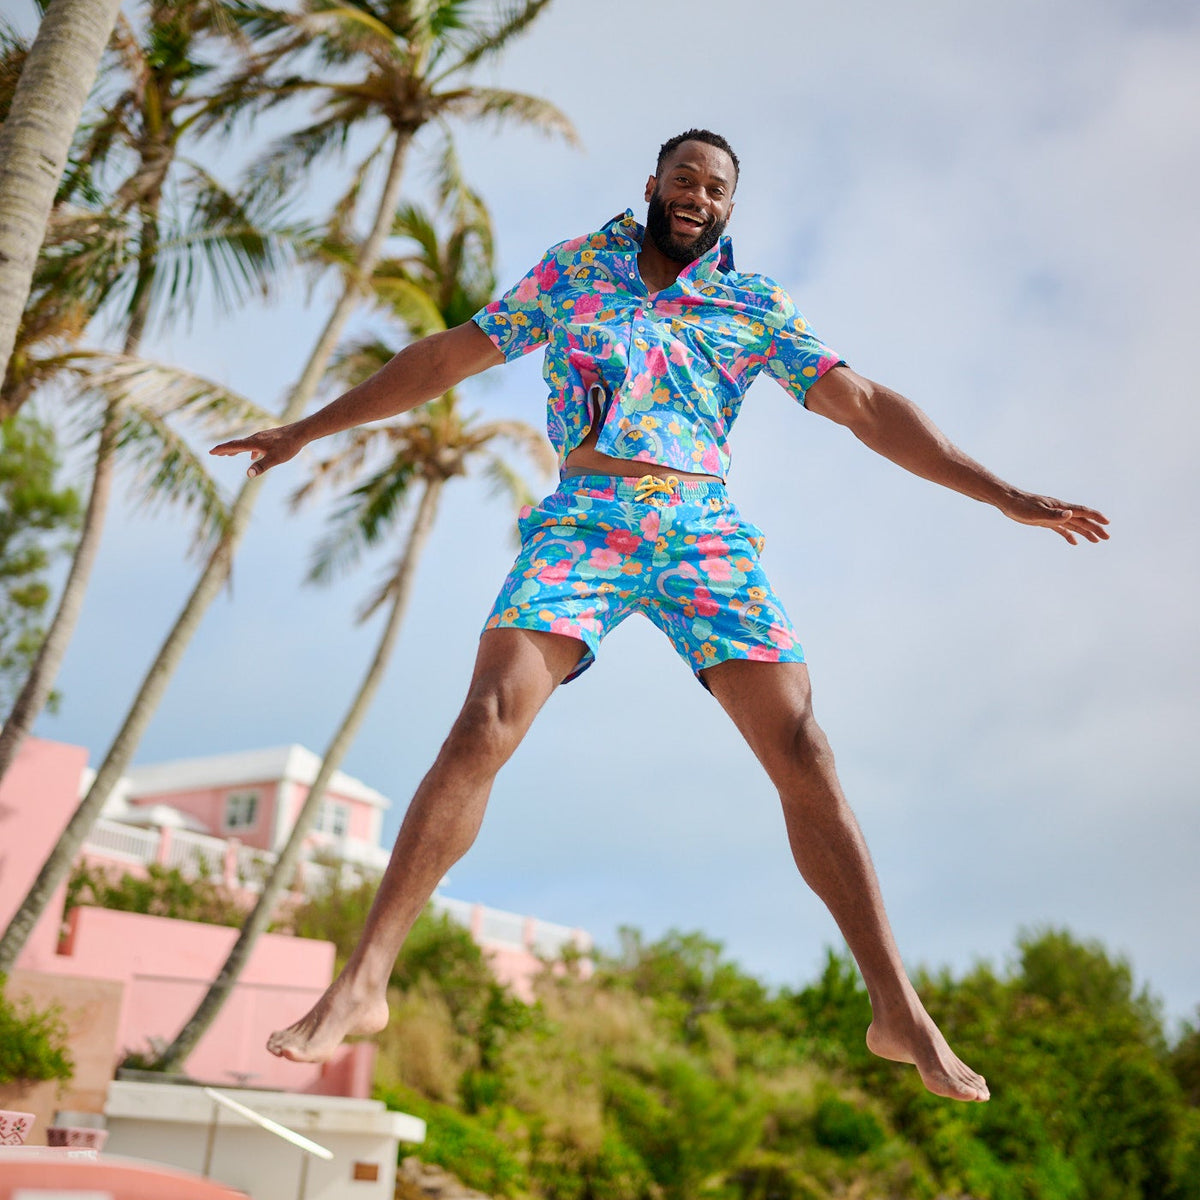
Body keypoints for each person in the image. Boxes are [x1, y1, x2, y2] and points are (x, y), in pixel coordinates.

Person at [212, 129, 1109, 1103]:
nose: (699, 196)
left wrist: (1005, 494)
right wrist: (308, 429)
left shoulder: (751, 304)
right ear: (653, 186)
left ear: (729, 208)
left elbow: (862, 405)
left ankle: (898, 1010)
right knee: (483, 722)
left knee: (805, 749)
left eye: (717, 188)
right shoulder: (575, 271)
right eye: (685, 178)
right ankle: (362, 983)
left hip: (701, 528)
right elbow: (448, 356)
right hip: (585, 521)